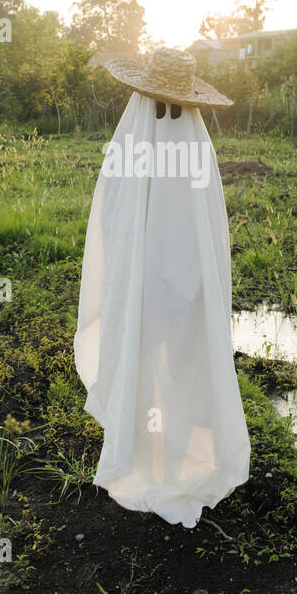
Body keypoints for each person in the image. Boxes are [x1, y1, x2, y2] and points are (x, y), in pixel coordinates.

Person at [73, 47, 251, 528]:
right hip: (178, 287)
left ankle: (156, 460)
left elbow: (114, 218)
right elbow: (206, 229)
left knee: (150, 363)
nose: (166, 112)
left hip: (157, 288)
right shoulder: (191, 143)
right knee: (175, 363)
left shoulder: (136, 140)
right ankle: (166, 461)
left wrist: (132, 277)